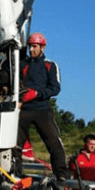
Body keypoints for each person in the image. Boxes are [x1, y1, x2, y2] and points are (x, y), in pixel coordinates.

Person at [13, 32, 68, 182]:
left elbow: (55, 89)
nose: (31, 50)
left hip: (43, 110)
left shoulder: (50, 65)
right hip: (23, 109)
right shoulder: (22, 65)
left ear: (42, 47)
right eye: (30, 46)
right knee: (15, 145)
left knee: (54, 142)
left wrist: (37, 93)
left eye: (35, 46)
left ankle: (61, 174)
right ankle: (15, 173)